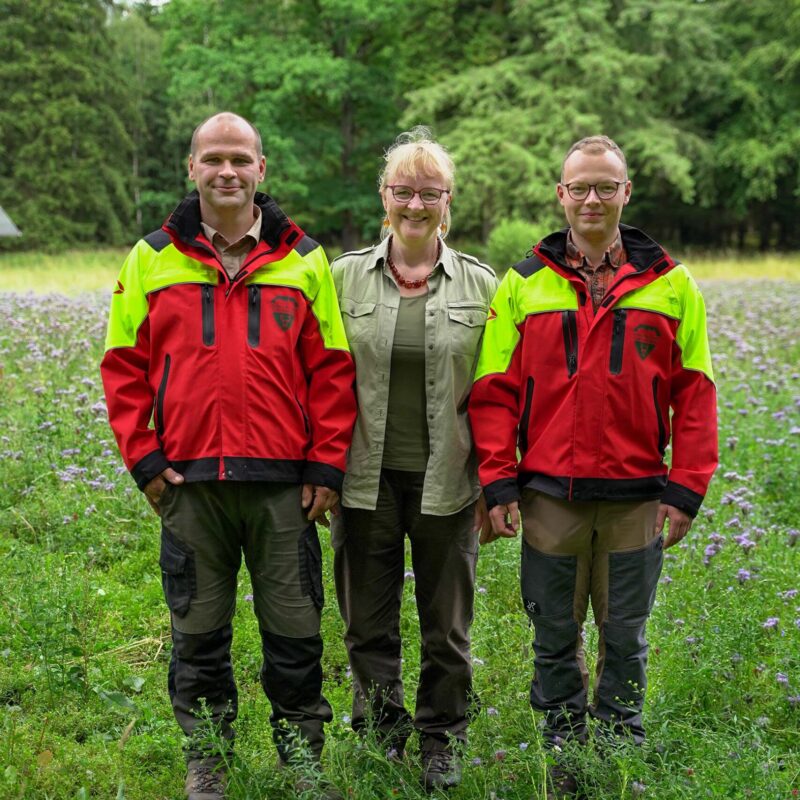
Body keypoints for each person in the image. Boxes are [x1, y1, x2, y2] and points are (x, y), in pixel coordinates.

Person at [100, 112, 357, 800]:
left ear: (261, 170)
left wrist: (327, 466)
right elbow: (122, 368)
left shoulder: (305, 260)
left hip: (284, 486)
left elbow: (332, 371)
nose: (227, 171)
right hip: (191, 486)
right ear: (192, 168)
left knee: (297, 635)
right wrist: (147, 463)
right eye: (213, 158)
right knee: (198, 634)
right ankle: (207, 760)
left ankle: (301, 759)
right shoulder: (150, 258)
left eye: (240, 158)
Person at [468, 136, 718, 797]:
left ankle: (618, 751)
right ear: (561, 195)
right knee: (553, 632)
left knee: (626, 637)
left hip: (638, 498)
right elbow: (493, 391)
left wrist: (687, 488)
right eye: (579, 187)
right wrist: (497, 479)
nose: (592, 198)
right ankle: (565, 757)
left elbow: (695, 393)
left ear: (625, 193)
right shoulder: (522, 283)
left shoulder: (671, 284)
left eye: (605, 186)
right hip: (550, 496)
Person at [330, 127, 498, 793]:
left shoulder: (484, 286)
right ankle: (380, 734)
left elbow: (497, 392)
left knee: (446, 629)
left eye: (430, 192)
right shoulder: (340, 277)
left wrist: (495, 482)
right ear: (384, 197)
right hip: (361, 479)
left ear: (448, 202)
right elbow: (315, 379)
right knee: (366, 625)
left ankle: (442, 738)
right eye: (404, 190)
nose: (416, 204)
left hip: (449, 484)